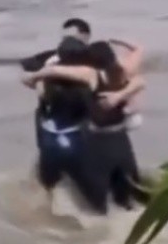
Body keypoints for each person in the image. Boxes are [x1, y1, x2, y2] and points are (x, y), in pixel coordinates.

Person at [23, 41, 149, 210]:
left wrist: (34, 77)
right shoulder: (121, 72)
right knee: (132, 194)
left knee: (96, 202)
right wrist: (119, 96)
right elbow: (140, 73)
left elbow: (53, 73)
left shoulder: (90, 75)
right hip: (121, 141)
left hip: (95, 144)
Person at [22, 36, 109, 214]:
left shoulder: (45, 83)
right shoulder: (90, 76)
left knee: (47, 190)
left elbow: (32, 84)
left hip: (50, 142)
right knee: (97, 202)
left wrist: (40, 73)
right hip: (77, 143)